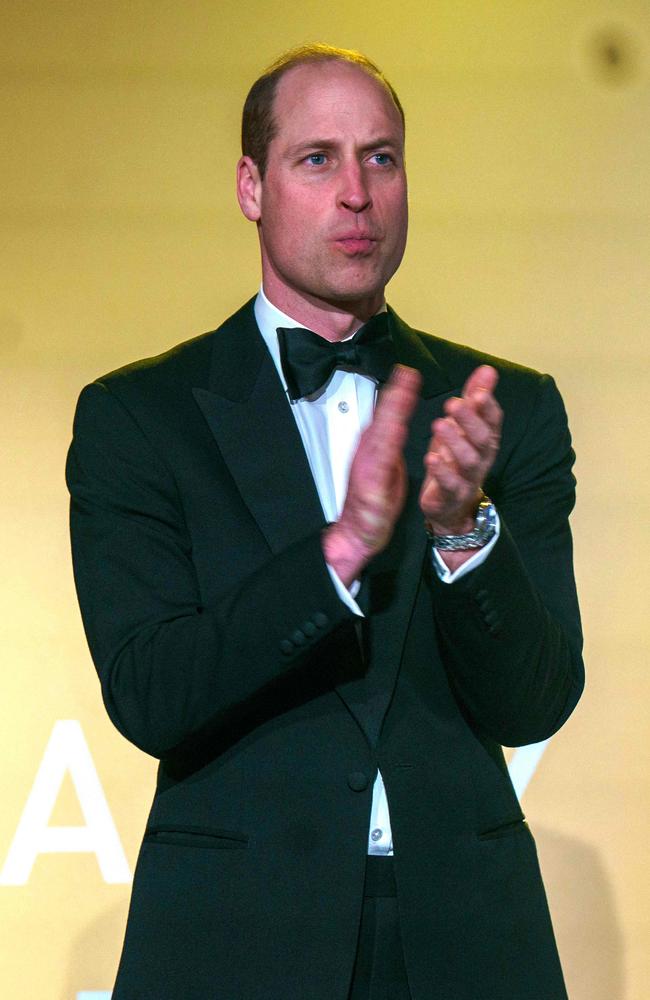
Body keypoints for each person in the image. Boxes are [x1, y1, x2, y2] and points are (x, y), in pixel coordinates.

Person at [67, 43, 584, 1000]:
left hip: (469, 938)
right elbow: (150, 693)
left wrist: (464, 533)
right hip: (235, 932)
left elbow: (537, 700)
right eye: (319, 159)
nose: (358, 193)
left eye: (381, 158)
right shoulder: (140, 416)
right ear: (250, 185)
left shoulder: (504, 409)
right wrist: (336, 554)